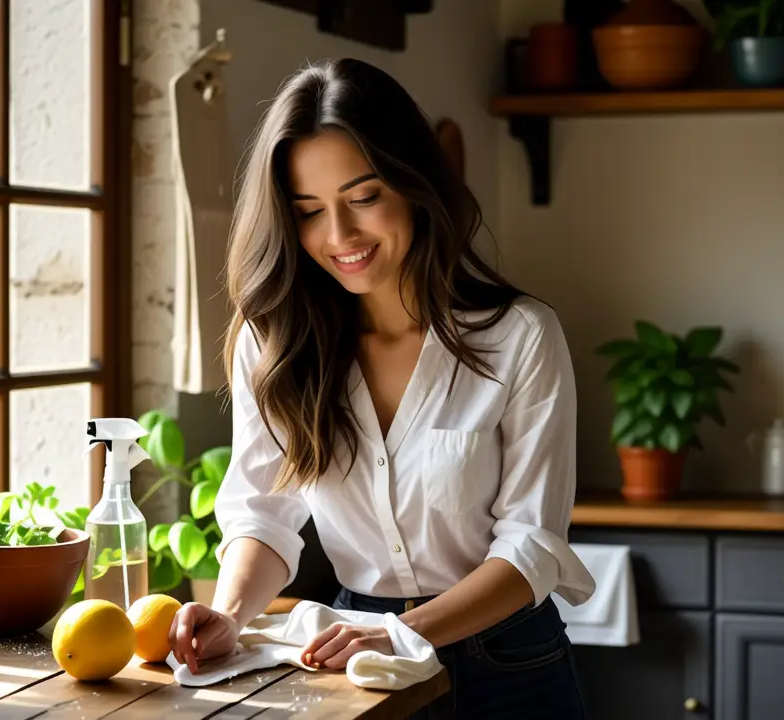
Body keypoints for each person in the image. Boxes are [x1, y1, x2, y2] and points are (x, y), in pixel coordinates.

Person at [167, 57, 595, 718]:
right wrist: (228, 614)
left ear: (414, 183)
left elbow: (532, 547)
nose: (338, 237)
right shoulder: (276, 344)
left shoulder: (521, 337)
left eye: (363, 198)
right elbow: (262, 512)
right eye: (309, 211)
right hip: (353, 659)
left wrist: (405, 631)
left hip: (507, 660)